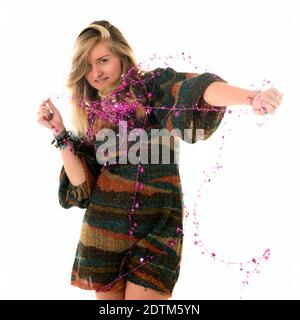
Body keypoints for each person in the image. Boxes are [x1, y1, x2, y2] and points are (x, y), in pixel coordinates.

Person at [37, 20, 283, 300]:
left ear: (120, 55)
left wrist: (251, 98)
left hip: (159, 227)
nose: (96, 73)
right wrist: (60, 133)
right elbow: (82, 186)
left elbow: (198, 90)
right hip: (105, 234)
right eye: (88, 66)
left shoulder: (151, 87)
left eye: (103, 60)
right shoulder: (92, 114)